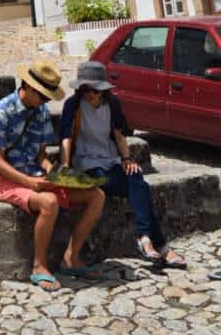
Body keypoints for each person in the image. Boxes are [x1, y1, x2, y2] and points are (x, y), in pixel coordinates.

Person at [0, 57, 105, 292]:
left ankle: (71, 257)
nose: (44, 102)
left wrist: (55, 173)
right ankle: (39, 266)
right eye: (42, 95)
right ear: (27, 87)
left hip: (35, 174)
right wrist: (29, 182)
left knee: (96, 195)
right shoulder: (1, 113)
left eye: (48, 98)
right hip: (7, 177)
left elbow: (41, 155)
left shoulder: (40, 112)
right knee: (49, 203)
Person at [59, 60, 186, 268]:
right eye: (86, 89)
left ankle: (145, 238)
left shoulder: (112, 104)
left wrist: (127, 160)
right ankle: (160, 246)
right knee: (138, 189)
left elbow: (119, 136)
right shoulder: (73, 105)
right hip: (88, 163)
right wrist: (64, 165)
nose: (90, 93)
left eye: (94, 89)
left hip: (111, 159)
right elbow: (66, 137)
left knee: (137, 180)